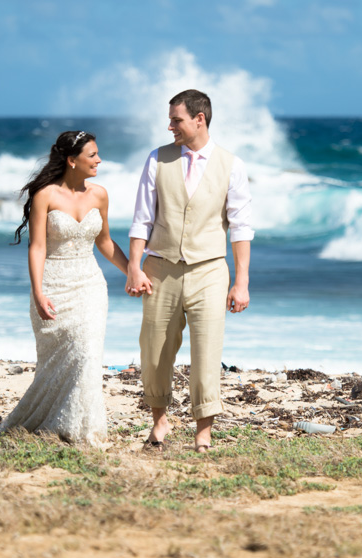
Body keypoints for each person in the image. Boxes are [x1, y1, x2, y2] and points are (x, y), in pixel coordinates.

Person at [126, 89, 253, 453]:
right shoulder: (157, 159)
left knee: (207, 350)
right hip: (161, 267)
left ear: (200, 118)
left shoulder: (233, 165)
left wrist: (241, 282)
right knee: (154, 350)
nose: (170, 127)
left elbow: (241, 228)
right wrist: (134, 267)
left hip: (210, 270)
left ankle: (204, 430)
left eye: (177, 120)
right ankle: (159, 421)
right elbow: (142, 219)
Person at [0, 130, 128, 447]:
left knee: (87, 353)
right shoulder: (46, 195)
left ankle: (83, 430)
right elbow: (37, 248)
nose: (99, 160)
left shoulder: (100, 194)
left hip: (90, 285)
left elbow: (105, 242)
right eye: (92, 155)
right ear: (72, 161)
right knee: (56, 363)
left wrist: (133, 272)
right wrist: (39, 292)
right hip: (54, 285)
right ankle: (50, 424)